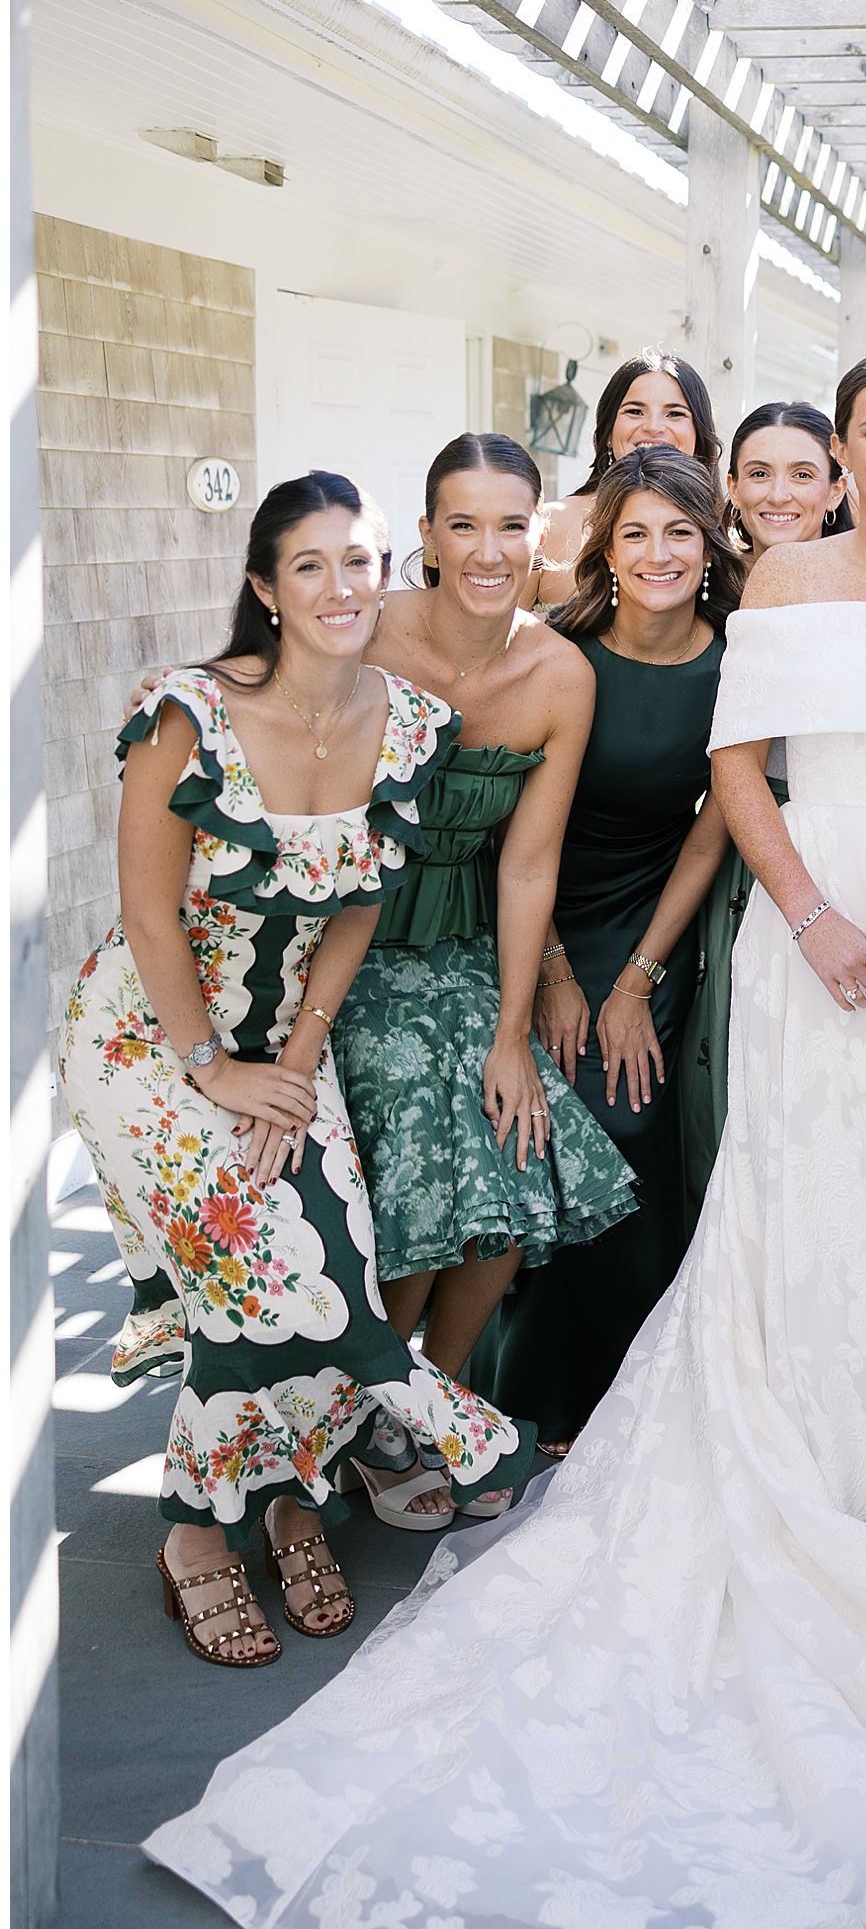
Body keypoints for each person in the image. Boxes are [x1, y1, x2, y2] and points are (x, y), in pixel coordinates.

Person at [144, 347, 866, 1929]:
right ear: (836, 448)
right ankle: (334, 1456)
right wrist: (810, 912)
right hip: (810, 911)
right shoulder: (783, 586)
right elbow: (738, 769)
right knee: (801, 1207)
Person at [59, 475, 538, 1666]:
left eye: (361, 561)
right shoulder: (187, 713)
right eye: (310, 565)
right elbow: (149, 913)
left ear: (391, 574)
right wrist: (214, 1067)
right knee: (262, 1262)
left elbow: (358, 904)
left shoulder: (412, 724)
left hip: (285, 1038)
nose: (339, 587)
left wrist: (297, 1058)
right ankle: (209, 1528)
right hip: (151, 1034)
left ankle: (278, 1497)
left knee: (332, 1249)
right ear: (266, 590)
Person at [330, 433, 637, 1518]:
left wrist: (512, 1029)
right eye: (463, 523)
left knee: (519, 1129)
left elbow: (529, 862)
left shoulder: (559, 671)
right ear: (424, 536)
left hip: (461, 938)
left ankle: (434, 1396)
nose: (489, 547)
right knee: (423, 1137)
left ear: (541, 530)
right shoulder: (368, 627)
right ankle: (373, 1400)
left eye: (512, 523)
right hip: (344, 938)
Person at [484, 447, 741, 1450]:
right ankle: (529, 1384)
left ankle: (624, 1387)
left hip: (652, 913)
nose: (658, 550)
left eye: (680, 530)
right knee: (547, 1121)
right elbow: (513, 829)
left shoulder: (734, 662)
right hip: (535, 906)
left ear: (709, 546)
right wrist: (548, 968)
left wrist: (638, 976)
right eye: (635, 531)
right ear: (606, 548)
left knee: (633, 1117)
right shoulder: (559, 647)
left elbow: (716, 825)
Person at [680, 402, 850, 1225]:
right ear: (732, 487)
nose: (778, 493)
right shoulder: (695, 585)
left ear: (834, 485)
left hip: (830, 850)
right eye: (758, 473)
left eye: (801, 473)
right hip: (706, 851)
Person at [533, 350, 719, 607]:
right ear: (608, 431)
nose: (654, 427)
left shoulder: (724, 534)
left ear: (699, 433)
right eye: (635, 411)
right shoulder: (550, 525)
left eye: (674, 414)